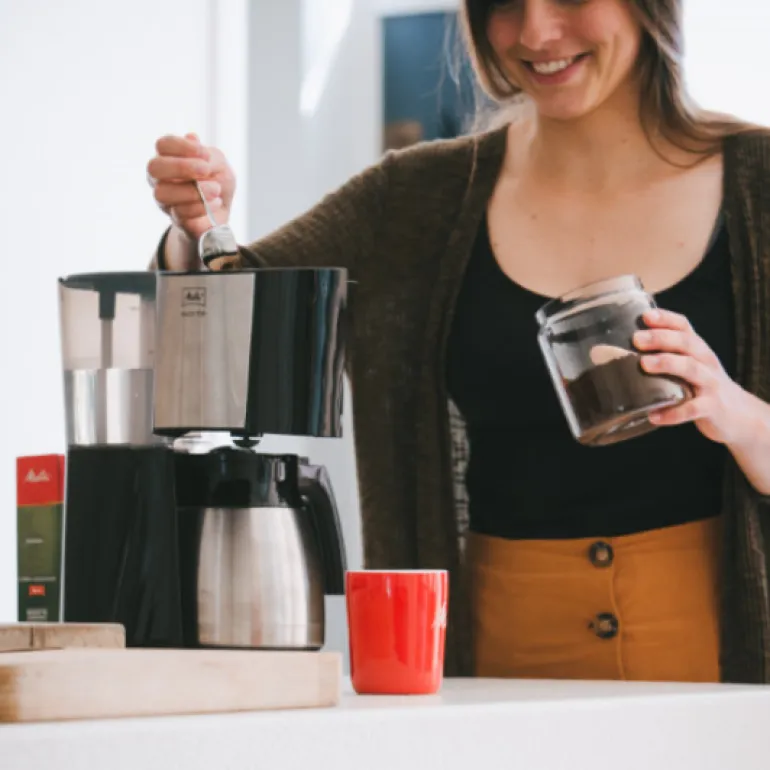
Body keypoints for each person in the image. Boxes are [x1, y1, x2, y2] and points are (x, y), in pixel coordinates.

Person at [146, 0, 770, 685]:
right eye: (504, 4)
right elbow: (228, 321)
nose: (535, 33)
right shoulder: (414, 197)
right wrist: (197, 228)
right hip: (495, 654)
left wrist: (742, 417)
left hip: (727, 654)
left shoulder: (759, 183)